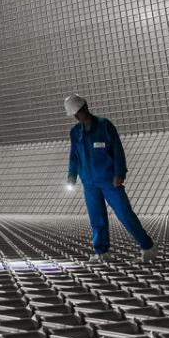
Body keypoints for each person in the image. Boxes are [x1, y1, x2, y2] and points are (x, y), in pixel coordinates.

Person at [64, 94, 156, 262]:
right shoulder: (75, 132)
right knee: (96, 218)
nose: (78, 116)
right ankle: (101, 252)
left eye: (79, 112)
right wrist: (72, 175)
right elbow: (74, 156)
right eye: (75, 115)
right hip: (89, 184)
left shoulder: (104, 126)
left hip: (109, 181)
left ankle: (147, 247)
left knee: (125, 214)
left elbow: (117, 151)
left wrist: (119, 173)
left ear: (86, 107)